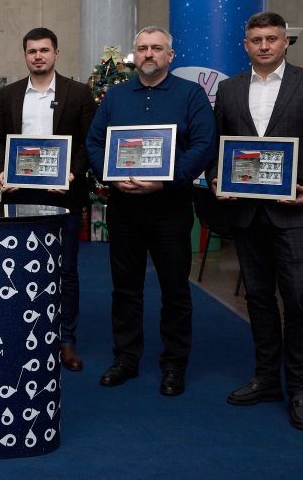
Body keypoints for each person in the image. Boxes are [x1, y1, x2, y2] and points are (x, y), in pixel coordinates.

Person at [211, 11, 303, 431]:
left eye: (272, 38)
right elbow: (219, 146)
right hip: (247, 213)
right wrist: (217, 176)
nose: (265, 45)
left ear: (286, 42)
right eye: (257, 40)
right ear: (246, 45)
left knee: (299, 300)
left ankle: (301, 389)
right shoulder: (229, 89)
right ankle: (267, 379)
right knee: (258, 298)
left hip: (296, 212)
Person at [85, 26, 216, 397]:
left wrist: (166, 181)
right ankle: (126, 359)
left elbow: (204, 145)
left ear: (169, 56)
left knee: (175, 290)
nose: (148, 54)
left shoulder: (190, 95)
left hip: (170, 207)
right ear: (134, 55)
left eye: (156, 48)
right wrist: (111, 177)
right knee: (125, 289)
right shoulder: (116, 96)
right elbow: (94, 142)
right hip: (124, 207)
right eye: (142, 48)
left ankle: (174, 364)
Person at [0, 27, 96, 372]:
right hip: (19, 196)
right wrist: (0, 172)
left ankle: (66, 340)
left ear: (56, 53)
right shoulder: (8, 95)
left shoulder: (78, 93)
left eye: (44, 50)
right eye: (32, 51)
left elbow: (89, 141)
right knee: (17, 266)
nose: (38, 56)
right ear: (25, 55)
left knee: (66, 270)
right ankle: (20, 334)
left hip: (64, 195)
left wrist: (72, 173)